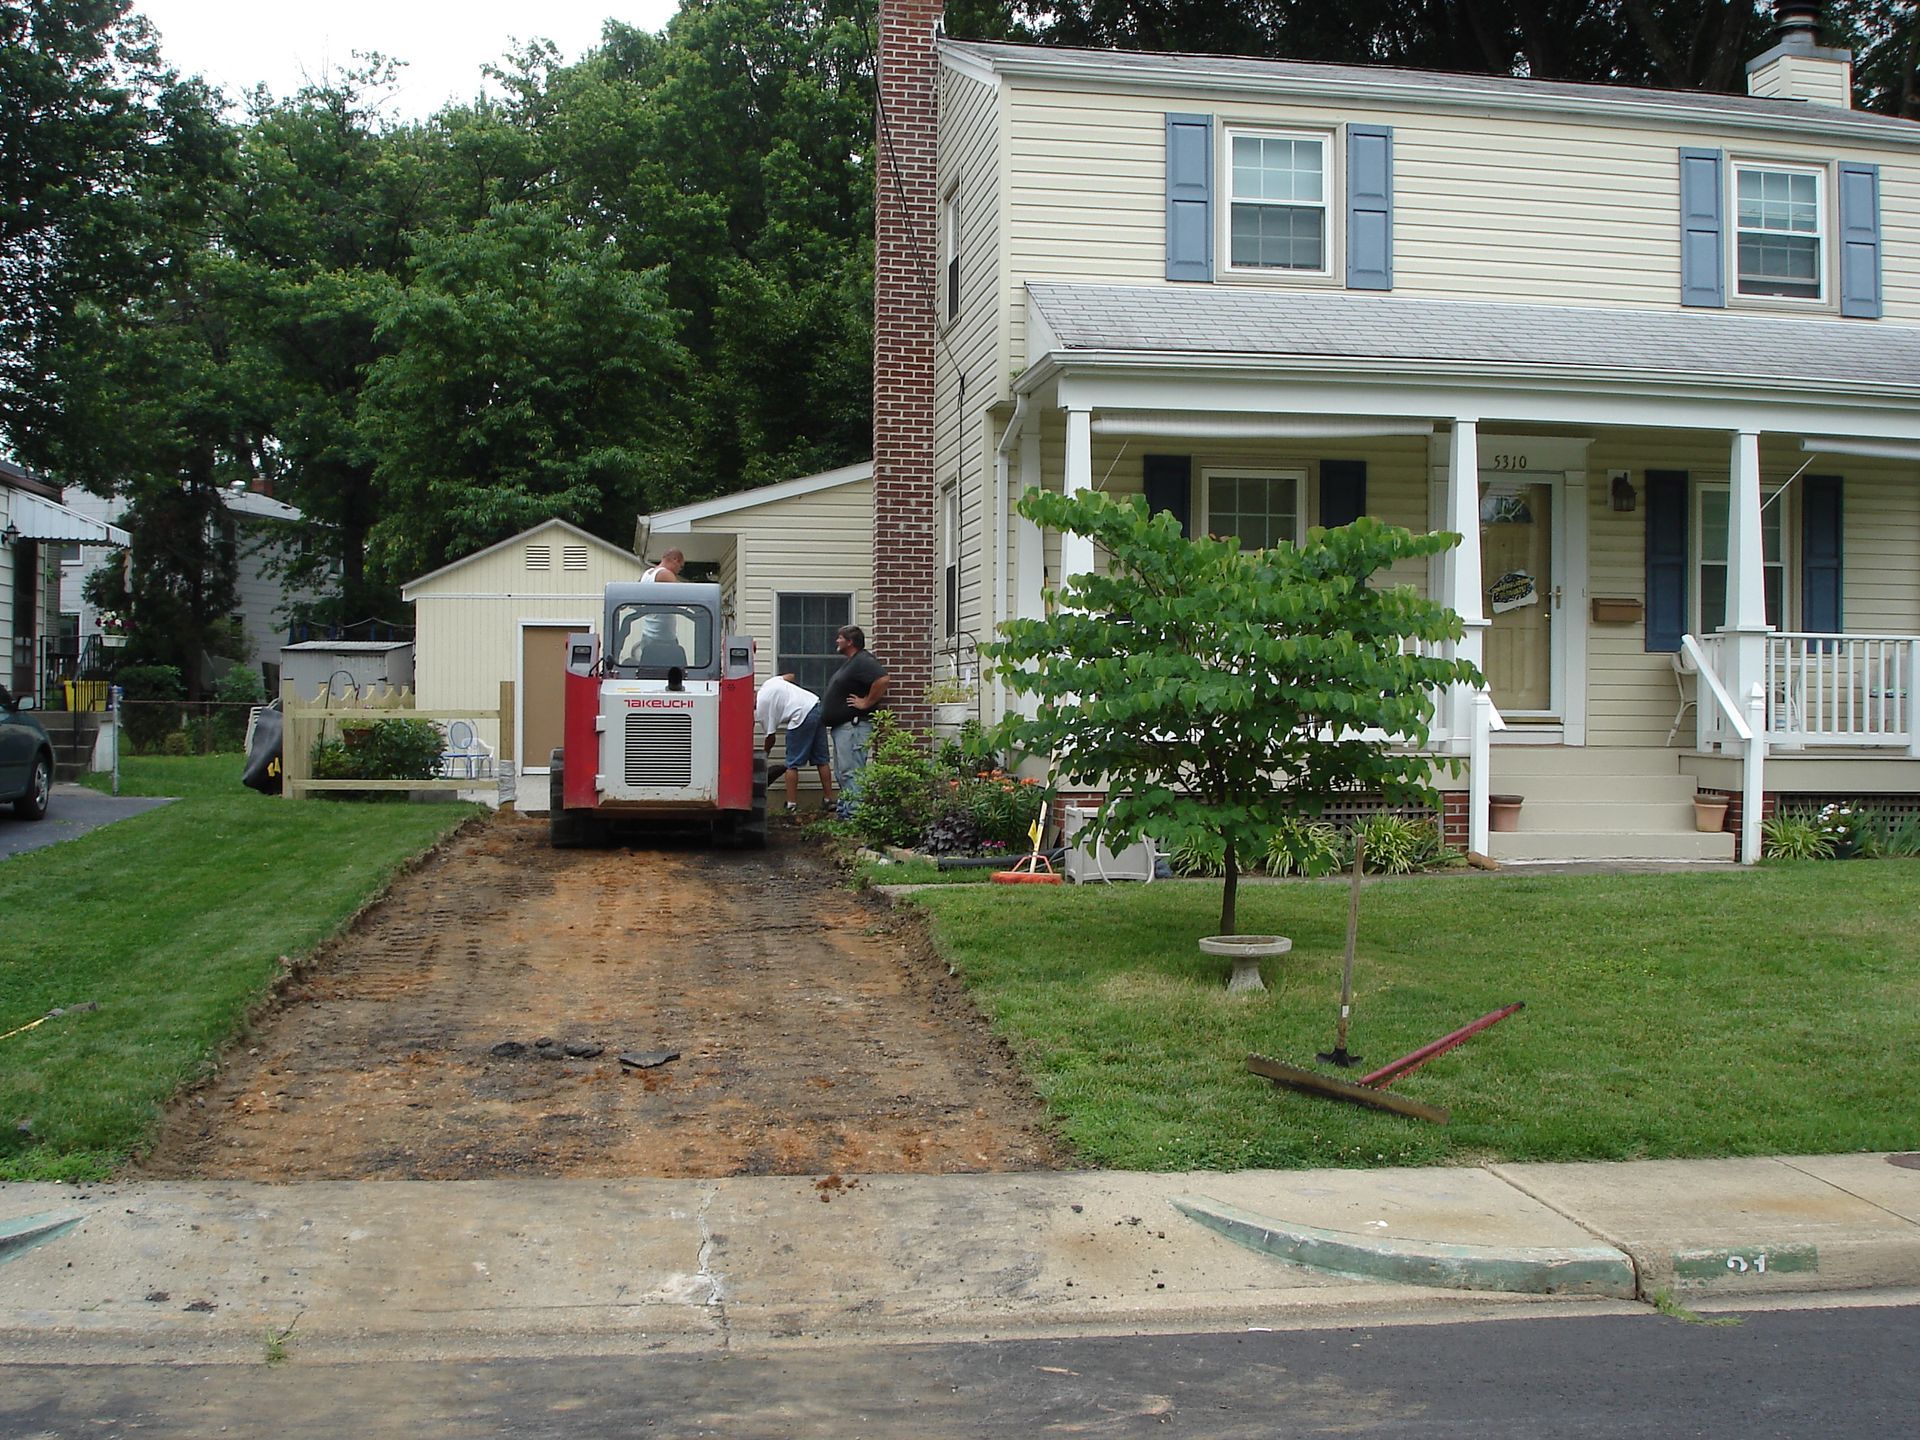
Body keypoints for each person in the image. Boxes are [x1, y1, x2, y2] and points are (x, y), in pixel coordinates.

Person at [819, 625, 889, 809]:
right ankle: (847, 811)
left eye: (840, 638)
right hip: (844, 728)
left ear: (850, 642)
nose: (836, 641)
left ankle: (854, 815)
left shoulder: (863, 660)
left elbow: (882, 679)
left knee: (852, 772)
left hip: (854, 727)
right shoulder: (853, 662)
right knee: (844, 772)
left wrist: (866, 702)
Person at [754, 672, 834, 816]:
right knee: (822, 760)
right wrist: (790, 694)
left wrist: (764, 756)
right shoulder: (768, 684)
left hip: (800, 715)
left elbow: (771, 738)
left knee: (792, 763)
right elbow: (791, 676)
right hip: (815, 706)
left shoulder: (762, 709)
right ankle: (829, 800)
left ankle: (791, 805)